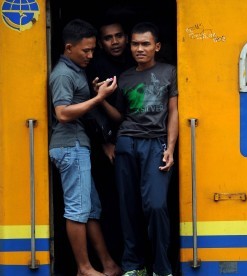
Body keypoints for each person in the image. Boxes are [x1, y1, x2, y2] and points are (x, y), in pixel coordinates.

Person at [102, 22, 178, 276]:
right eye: (135, 44)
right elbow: (120, 116)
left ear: (157, 46)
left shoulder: (170, 72)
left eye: (145, 44)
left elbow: (174, 112)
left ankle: (162, 268)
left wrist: (171, 147)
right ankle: (134, 266)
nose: (139, 48)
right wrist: (100, 99)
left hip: (156, 143)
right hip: (127, 143)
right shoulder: (124, 77)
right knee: (128, 207)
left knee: (156, 206)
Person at [48, 18, 122, 276]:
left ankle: (108, 264)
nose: (91, 55)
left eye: (92, 50)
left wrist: (93, 93)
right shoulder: (63, 74)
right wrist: (99, 98)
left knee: (90, 208)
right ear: (69, 48)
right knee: (78, 209)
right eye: (85, 50)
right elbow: (63, 113)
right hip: (69, 146)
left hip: (80, 145)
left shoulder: (77, 69)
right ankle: (84, 268)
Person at [84, 18, 136, 265]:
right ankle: (114, 257)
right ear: (101, 44)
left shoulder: (133, 62)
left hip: (131, 140)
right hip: (105, 145)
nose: (114, 42)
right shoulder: (96, 67)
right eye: (108, 38)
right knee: (110, 203)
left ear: (127, 38)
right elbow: (92, 110)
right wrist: (105, 142)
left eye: (118, 36)